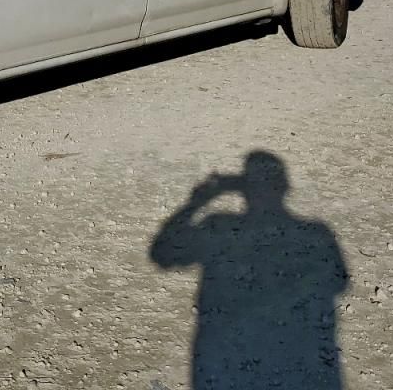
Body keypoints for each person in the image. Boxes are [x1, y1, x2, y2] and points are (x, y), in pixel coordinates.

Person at [149, 151, 348, 389]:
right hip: (295, 365)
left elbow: (163, 253)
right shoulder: (315, 235)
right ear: (284, 187)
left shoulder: (220, 229)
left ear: (243, 189)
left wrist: (199, 201)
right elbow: (339, 281)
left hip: (226, 366)